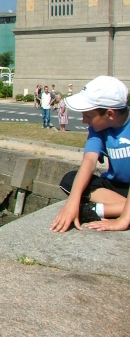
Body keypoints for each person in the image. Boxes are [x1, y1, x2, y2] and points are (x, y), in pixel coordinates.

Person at [50, 76, 130, 233]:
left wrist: (124, 220)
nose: (83, 120)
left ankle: (99, 210)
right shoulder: (99, 128)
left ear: (110, 114)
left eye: (88, 116)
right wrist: (72, 203)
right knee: (70, 180)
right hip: (118, 186)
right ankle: (123, 207)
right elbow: (89, 160)